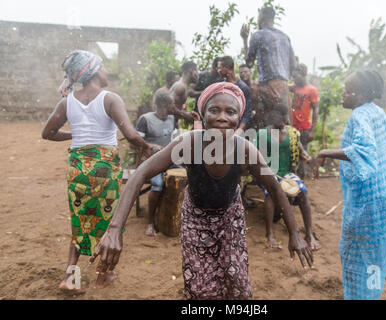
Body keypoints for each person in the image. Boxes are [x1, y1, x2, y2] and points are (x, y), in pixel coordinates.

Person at [90, 82, 314, 299]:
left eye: (231, 112)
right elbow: (140, 174)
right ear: (202, 114)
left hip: (230, 218)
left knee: (236, 280)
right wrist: (115, 228)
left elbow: (275, 188)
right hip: (195, 220)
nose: (223, 117)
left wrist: (295, 233)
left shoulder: (245, 149)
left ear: (239, 118)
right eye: (214, 110)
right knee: (200, 287)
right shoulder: (189, 144)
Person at [42, 50, 155, 291]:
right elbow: (131, 135)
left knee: (79, 221)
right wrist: (148, 147)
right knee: (110, 221)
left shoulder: (67, 102)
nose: (106, 72)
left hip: (77, 168)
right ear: (93, 71)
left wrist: (76, 135)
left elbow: (47, 133)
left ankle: (70, 278)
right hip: (104, 170)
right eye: (103, 67)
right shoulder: (110, 98)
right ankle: (104, 274)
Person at [314, 70, 386, 300]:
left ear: (362, 94)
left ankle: (359, 297)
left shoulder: (359, 115)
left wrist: (325, 152)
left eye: (348, 91)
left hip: (370, 204)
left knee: (357, 257)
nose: (342, 95)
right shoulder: (378, 112)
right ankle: (371, 295)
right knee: (375, 259)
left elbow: (363, 149)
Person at [257, 105, 321, 251]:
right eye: (279, 116)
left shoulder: (292, 133)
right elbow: (255, 155)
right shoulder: (262, 133)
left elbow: (300, 149)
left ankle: (309, 234)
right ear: (272, 117)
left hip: (286, 173)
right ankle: (270, 235)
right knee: (271, 194)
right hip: (268, 173)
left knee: (303, 191)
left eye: (284, 116)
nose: (283, 119)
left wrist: (307, 157)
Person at [241, 6, 297, 125]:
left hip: (268, 86)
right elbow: (293, 65)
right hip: (283, 86)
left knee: (267, 126)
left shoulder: (258, 35)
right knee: (286, 125)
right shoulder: (285, 37)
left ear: (261, 18)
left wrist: (245, 39)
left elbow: (249, 63)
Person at [135, 93, 178, 236]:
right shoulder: (145, 119)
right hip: (152, 161)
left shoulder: (172, 118)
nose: (174, 107)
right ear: (165, 106)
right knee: (158, 185)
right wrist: (151, 146)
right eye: (172, 104)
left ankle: (176, 216)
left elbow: (174, 138)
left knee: (188, 177)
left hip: (170, 160)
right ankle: (150, 222)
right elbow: (135, 142)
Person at [289, 63, 319, 178]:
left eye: (296, 76)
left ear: (303, 75)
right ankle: (292, 182)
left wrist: (312, 130)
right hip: (293, 128)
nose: (294, 79)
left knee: (303, 156)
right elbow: (283, 86)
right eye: (293, 77)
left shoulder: (312, 90)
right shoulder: (294, 87)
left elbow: (316, 110)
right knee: (292, 155)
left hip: (304, 129)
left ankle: (301, 181)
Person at [217, 56, 252, 136]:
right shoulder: (221, 85)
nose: (218, 71)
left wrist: (240, 129)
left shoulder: (243, 88)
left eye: (219, 68)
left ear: (227, 68)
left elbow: (247, 112)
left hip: (236, 129)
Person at [168, 61, 201, 126]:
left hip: (171, 124)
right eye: (197, 71)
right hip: (166, 125)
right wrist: (185, 115)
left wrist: (188, 114)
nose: (198, 75)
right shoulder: (180, 86)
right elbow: (168, 106)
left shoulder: (184, 86)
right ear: (191, 71)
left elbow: (177, 106)